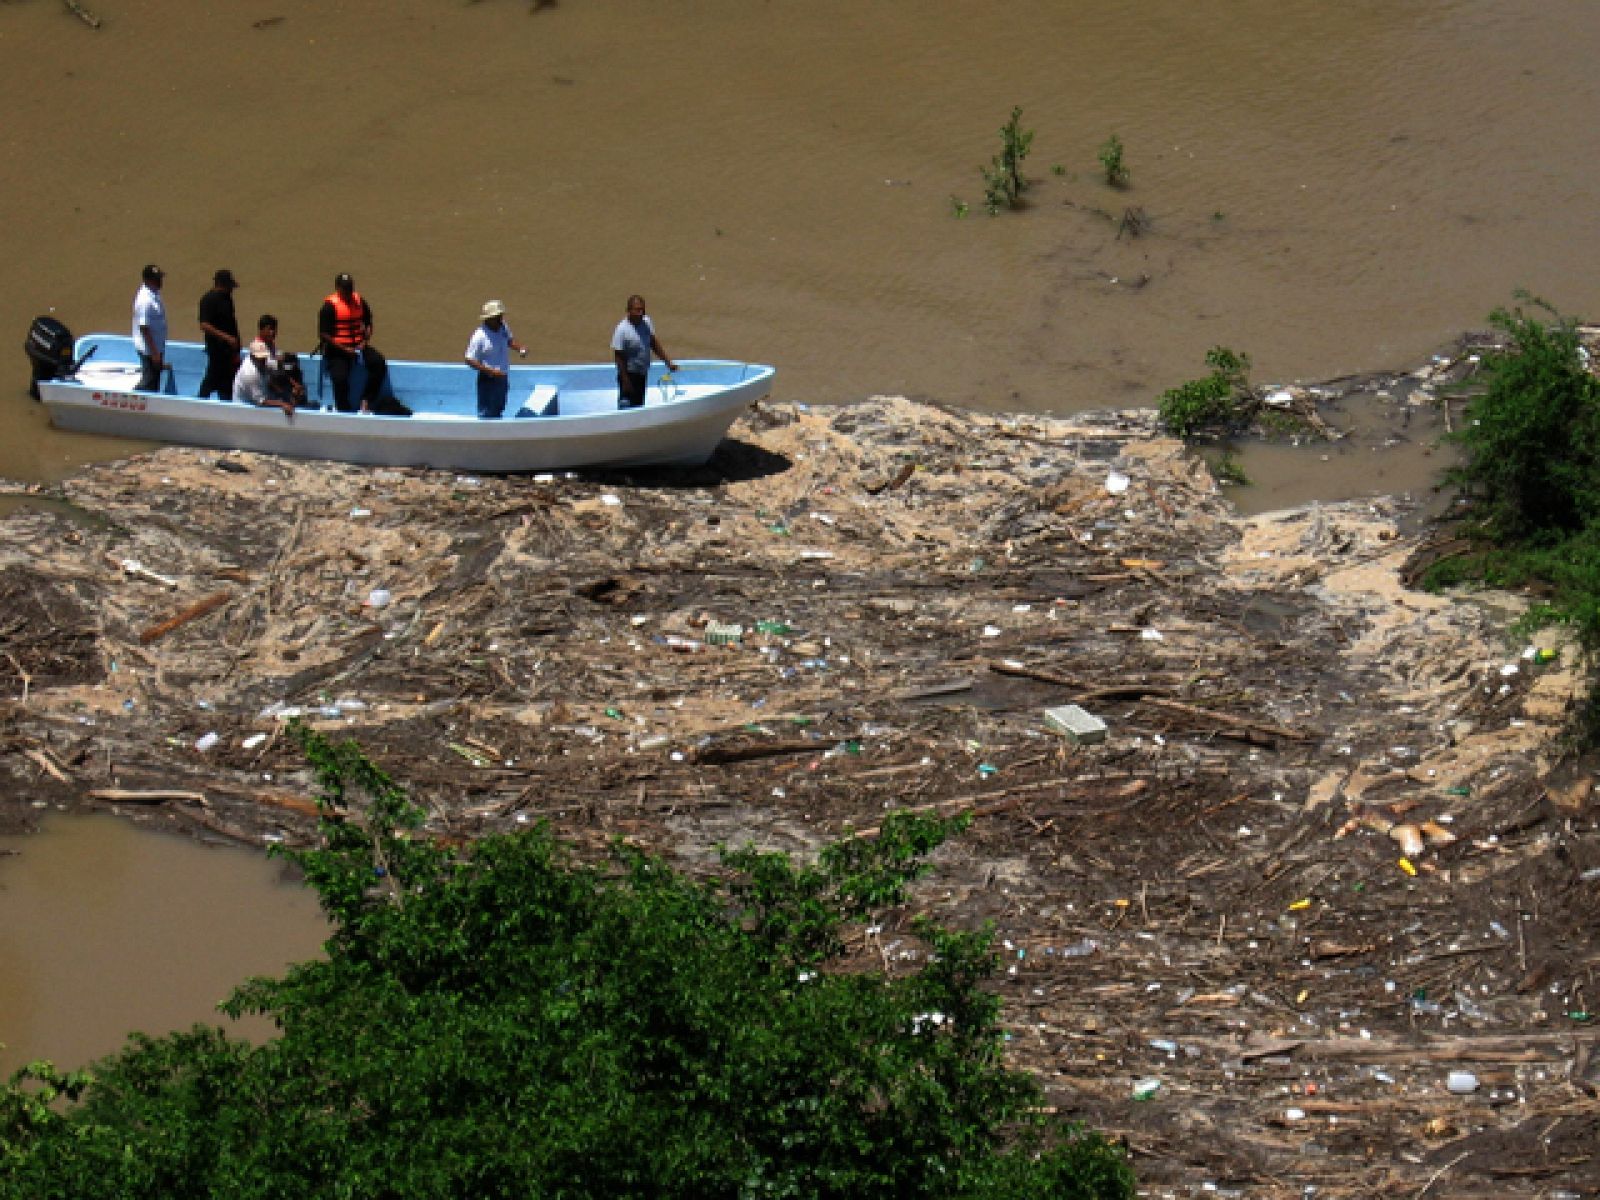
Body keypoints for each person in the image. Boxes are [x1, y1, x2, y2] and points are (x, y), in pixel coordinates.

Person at [317, 273, 408, 415]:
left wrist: (365, 341)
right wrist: (345, 349)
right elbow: (324, 334)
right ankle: (343, 409)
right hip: (338, 350)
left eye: (350, 289)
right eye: (345, 289)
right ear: (338, 288)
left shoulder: (359, 301)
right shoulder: (329, 307)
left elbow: (368, 321)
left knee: (378, 363)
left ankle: (366, 401)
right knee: (339, 378)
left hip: (358, 346)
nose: (348, 292)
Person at [611, 294, 676, 409]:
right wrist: (625, 381)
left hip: (642, 373)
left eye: (642, 309)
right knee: (626, 407)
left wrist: (668, 362)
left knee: (639, 405)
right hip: (629, 375)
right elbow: (618, 357)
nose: (641, 313)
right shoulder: (622, 330)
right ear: (628, 311)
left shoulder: (646, 322)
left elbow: (653, 343)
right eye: (637, 310)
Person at [464, 299, 527, 419]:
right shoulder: (479, 336)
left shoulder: (503, 327)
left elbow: (509, 340)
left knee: (499, 408)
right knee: (486, 412)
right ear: (489, 318)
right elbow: (469, 359)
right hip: (488, 380)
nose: (501, 319)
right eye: (498, 316)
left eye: (501, 316)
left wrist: (520, 348)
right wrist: (491, 372)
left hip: (502, 377)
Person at [197, 269, 242, 399]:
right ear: (222, 284)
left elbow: (231, 322)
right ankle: (199, 403)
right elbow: (204, 325)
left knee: (227, 382)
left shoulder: (227, 298)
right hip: (217, 350)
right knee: (212, 378)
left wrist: (237, 345)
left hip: (229, 352)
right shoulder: (208, 300)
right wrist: (226, 338)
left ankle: (225, 404)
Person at [232, 339, 296, 417]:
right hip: (244, 409)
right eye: (260, 358)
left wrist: (293, 384)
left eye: (264, 357)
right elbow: (261, 401)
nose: (263, 360)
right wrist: (282, 404)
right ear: (252, 356)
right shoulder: (249, 374)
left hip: (261, 392)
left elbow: (277, 366)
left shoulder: (263, 360)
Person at [131, 264, 168, 393]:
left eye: (160, 278)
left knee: (154, 381)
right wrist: (155, 354)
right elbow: (144, 328)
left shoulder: (154, 293)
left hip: (156, 348)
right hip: (149, 350)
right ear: (147, 280)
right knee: (149, 382)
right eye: (156, 278)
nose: (159, 281)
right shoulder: (145, 300)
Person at [256, 313, 307, 401]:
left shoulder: (270, 344)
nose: (273, 332)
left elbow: (279, 369)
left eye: (274, 329)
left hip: (271, 379)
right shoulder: (257, 347)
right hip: (261, 385)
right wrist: (283, 394)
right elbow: (268, 375)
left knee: (292, 362)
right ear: (261, 330)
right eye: (270, 329)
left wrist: (294, 384)